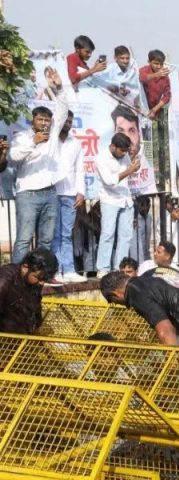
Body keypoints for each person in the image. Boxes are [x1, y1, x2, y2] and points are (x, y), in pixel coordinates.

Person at [9, 77, 70, 264]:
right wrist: (33, 142)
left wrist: (59, 88)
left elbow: (63, 109)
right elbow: (13, 157)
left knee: (46, 240)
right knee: (24, 239)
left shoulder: (53, 134)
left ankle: (41, 274)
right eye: (40, 119)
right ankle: (16, 275)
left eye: (47, 120)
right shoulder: (22, 137)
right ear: (33, 121)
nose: (44, 123)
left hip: (50, 193)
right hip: (27, 194)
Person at [95, 133, 140, 277]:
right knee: (108, 234)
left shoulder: (124, 155)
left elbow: (129, 171)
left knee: (125, 236)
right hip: (110, 199)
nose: (124, 153)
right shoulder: (101, 158)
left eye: (126, 151)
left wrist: (134, 167)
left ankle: (119, 269)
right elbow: (109, 181)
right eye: (122, 151)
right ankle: (103, 268)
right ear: (113, 146)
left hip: (126, 199)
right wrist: (129, 170)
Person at [52, 110, 86, 283]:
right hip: (51, 192)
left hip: (70, 193)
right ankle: (56, 270)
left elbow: (80, 169)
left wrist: (81, 192)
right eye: (65, 120)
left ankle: (69, 270)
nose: (67, 123)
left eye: (70, 121)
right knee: (54, 234)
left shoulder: (76, 143)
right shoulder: (50, 141)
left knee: (66, 234)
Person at [0, 249, 58, 334]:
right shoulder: (5, 280)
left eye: (45, 279)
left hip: (21, 336)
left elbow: (36, 308)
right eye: (38, 278)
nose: (42, 283)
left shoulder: (35, 283)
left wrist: (38, 326)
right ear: (25, 267)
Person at [139, 50, 171, 120]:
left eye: (161, 64)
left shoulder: (165, 77)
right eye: (156, 64)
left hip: (154, 110)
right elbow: (141, 77)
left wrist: (154, 109)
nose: (159, 66)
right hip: (139, 108)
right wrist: (156, 75)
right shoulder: (144, 70)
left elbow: (167, 96)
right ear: (149, 62)